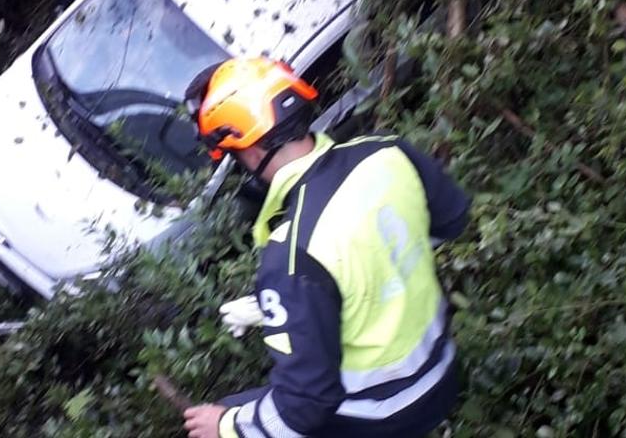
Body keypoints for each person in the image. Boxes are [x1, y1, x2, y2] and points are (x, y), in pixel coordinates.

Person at [180, 56, 471, 438]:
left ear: (248, 151)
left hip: (384, 415)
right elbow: (453, 220)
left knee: (228, 415)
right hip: (443, 370)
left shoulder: (293, 256)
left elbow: (304, 407)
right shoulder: (388, 152)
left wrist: (226, 427)